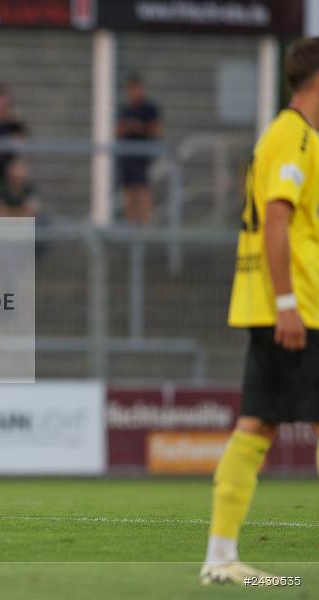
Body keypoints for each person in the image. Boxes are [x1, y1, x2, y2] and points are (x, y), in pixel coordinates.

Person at [200, 38, 319, 585]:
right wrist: (290, 304)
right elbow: (277, 219)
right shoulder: (295, 136)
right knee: (258, 425)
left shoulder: (284, 134)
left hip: (273, 303)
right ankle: (219, 557)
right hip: (296, 306)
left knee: (257, 425)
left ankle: (220, 558)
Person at [117, 74, 161, 225]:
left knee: (143, 189)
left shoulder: (149, 109)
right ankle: (131, 223)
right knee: (129, 191)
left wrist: (139, 127)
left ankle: (145, 222)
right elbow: (118, 130)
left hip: (142, 157)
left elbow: (156, 130)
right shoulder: (126, 109)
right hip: (127, 156)